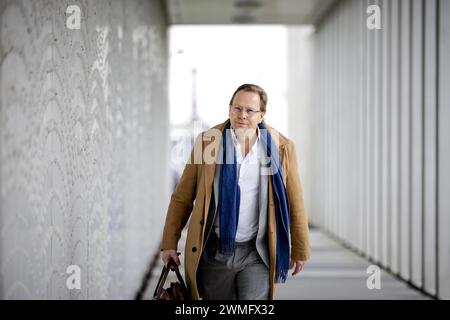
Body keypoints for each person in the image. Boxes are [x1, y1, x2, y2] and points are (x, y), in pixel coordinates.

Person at [160, 83, 310, 300]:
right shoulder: (208, 143)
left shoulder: (281, 148)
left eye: (250, 110)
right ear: (229, 109)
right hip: (215, 251)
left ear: (261, 116)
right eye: (237, 109)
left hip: (257, 251)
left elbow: (295, 201)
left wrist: (300, 247)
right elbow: (182, 198)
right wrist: (169, 244)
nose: (242, 116)